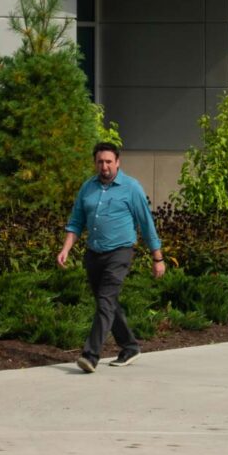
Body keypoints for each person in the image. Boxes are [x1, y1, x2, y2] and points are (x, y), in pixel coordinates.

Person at [55, 140, 164, 373]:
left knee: (105, 301)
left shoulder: (131, 188)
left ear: (117, 162)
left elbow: (146, 224)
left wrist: (158, 257)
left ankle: (90, 355)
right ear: (95, 163)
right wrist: (66, 248)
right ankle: (130, 346)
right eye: (100, 162)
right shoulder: (88, 188)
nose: (104, 166)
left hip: (120, 253)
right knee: (108, 304)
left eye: (108, 162)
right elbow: (75, 222)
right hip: (93, 254)